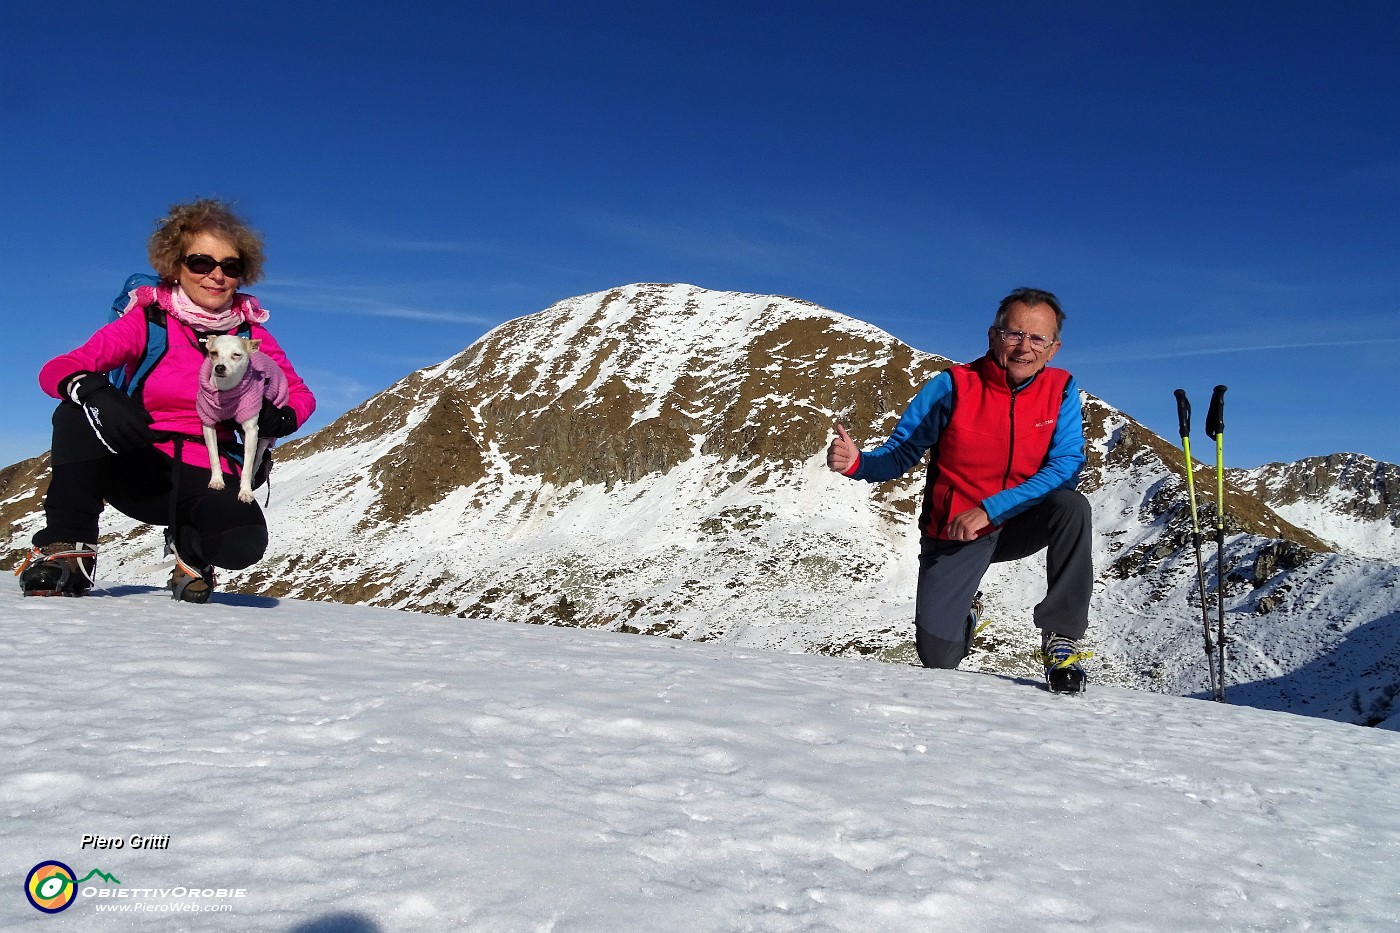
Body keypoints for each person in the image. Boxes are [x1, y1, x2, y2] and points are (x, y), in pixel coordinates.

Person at [17, 199, 315, 602]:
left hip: (209, 469)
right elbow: (60, 368)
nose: (217, 275)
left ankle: (190, 552)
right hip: (136, 463)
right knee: (75, 410)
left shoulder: (247, 336)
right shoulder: (148, 320)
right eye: (200, 263)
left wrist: (283, 417)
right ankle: (67, 549)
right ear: (174, 266)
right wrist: (95, 392)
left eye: (230, 266)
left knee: (241, 543)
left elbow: (300, 395)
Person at [825, 287, 1093, 692]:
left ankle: (1061, 639)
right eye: (1013, 334)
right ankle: (964, 609)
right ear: (992, 336)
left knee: (1071, 506)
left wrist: (991, 509)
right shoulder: (953, 386)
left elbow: (1067, 466)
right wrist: (860, 463)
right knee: (939, 658)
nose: (1024, 348)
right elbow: (901, 452)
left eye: (1037, 338)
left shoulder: (1061, 390)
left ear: (1054, 348)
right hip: (955, 531)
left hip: (1016, 522)